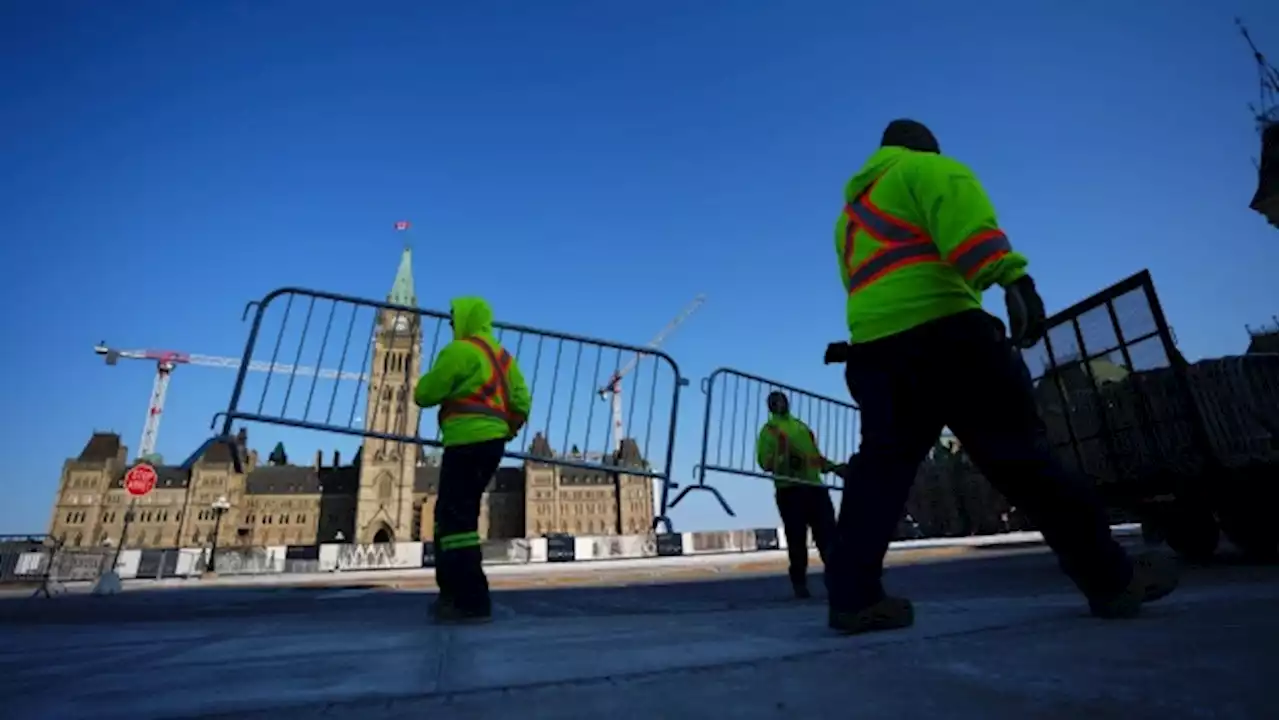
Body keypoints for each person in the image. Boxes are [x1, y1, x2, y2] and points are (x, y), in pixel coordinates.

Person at [821, 119, 1179, 635]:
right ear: (924, 145)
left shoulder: (849, 219)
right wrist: (1011, 279)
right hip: (950, 337)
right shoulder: (929, 169)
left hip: (876, 353)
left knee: (879, 473)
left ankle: (853, 599)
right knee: (1023, 458)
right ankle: (1111, 579)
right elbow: (967, 230)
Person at [414, 296, 532, 624]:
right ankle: (459, 595)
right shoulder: (504, 358)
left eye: (454, 319)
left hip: (465, 441)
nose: (451, 324)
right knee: (459, 515)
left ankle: (468, 599)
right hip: (492, 445)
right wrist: (507, 429)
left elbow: (424, 394)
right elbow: (522, 400)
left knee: (454, 522)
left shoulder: (459, 351)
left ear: (466, 320)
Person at [755, 391, 842, 599]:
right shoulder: (769, 431)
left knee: (829, 537)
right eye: (774, 401)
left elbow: (814, 457)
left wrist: (834, 468)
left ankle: (839, 579)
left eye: (781, 399)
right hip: (789, 489)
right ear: (769, 406)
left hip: (814, 487)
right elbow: (765, 463)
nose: (779, 404)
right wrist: (784, 457)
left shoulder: (802, 427)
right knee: (796, 540)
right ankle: (800, 584)